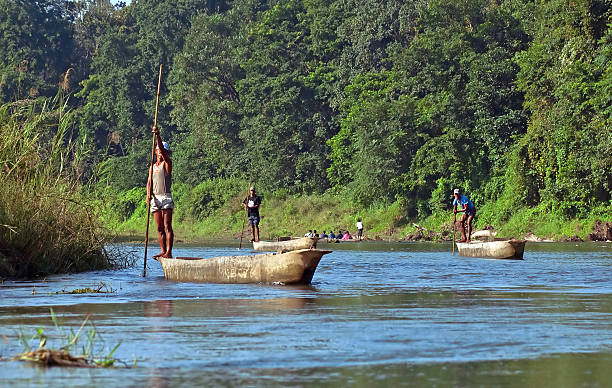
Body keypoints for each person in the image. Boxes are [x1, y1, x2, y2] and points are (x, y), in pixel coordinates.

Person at [147, 126, 174, 258]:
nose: (163, 154)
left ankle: (169, 252)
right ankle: (163, 251)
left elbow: (163, 151)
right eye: (160, 151)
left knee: (167, 225)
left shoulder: (168, 164)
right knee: (159, 228)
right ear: (155, 152)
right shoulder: (152, 167)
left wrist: (157, 135)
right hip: (155, 198)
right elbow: (149, 182)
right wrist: (148, 195)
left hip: (166, 197)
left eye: (165, 152)